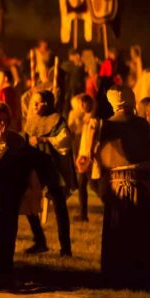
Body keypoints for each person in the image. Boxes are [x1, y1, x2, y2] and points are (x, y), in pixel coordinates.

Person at [78, 85, 150, 290]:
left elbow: (89, 162)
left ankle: (117, 276)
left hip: (115, 187)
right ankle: (141, 277)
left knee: (118, 231)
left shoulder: (103, 126)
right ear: (131, 100)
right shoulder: (141, 125)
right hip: (138, 186)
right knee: (139, 231)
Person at [0, 101, 54, 291]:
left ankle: (6, 273)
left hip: (11, 195)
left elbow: (37, 159)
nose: (2, 126)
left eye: (6, 121)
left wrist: (35, 182)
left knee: (9, 234)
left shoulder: (15, 139)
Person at [23, 90, 74, 257]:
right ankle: (40, 241)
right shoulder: (30, 121)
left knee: (59, 205)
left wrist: (45, 140)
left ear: (47, 103)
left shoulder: (56, 120)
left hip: (51, 166)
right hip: (33, 165)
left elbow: (65, 141)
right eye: (35, 102)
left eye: (40, 102)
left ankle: (65, 248)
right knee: (28, 202)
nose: (37, 105)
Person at [67, 93, 95, 222]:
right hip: (81, 154)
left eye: (86, 103)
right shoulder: (81, 118)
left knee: (94, 185)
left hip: (89, 156)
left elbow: (90, 140)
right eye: (82, 103)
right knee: (82, 184)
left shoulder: (93, 120)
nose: (84, 106)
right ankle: (83, 214)